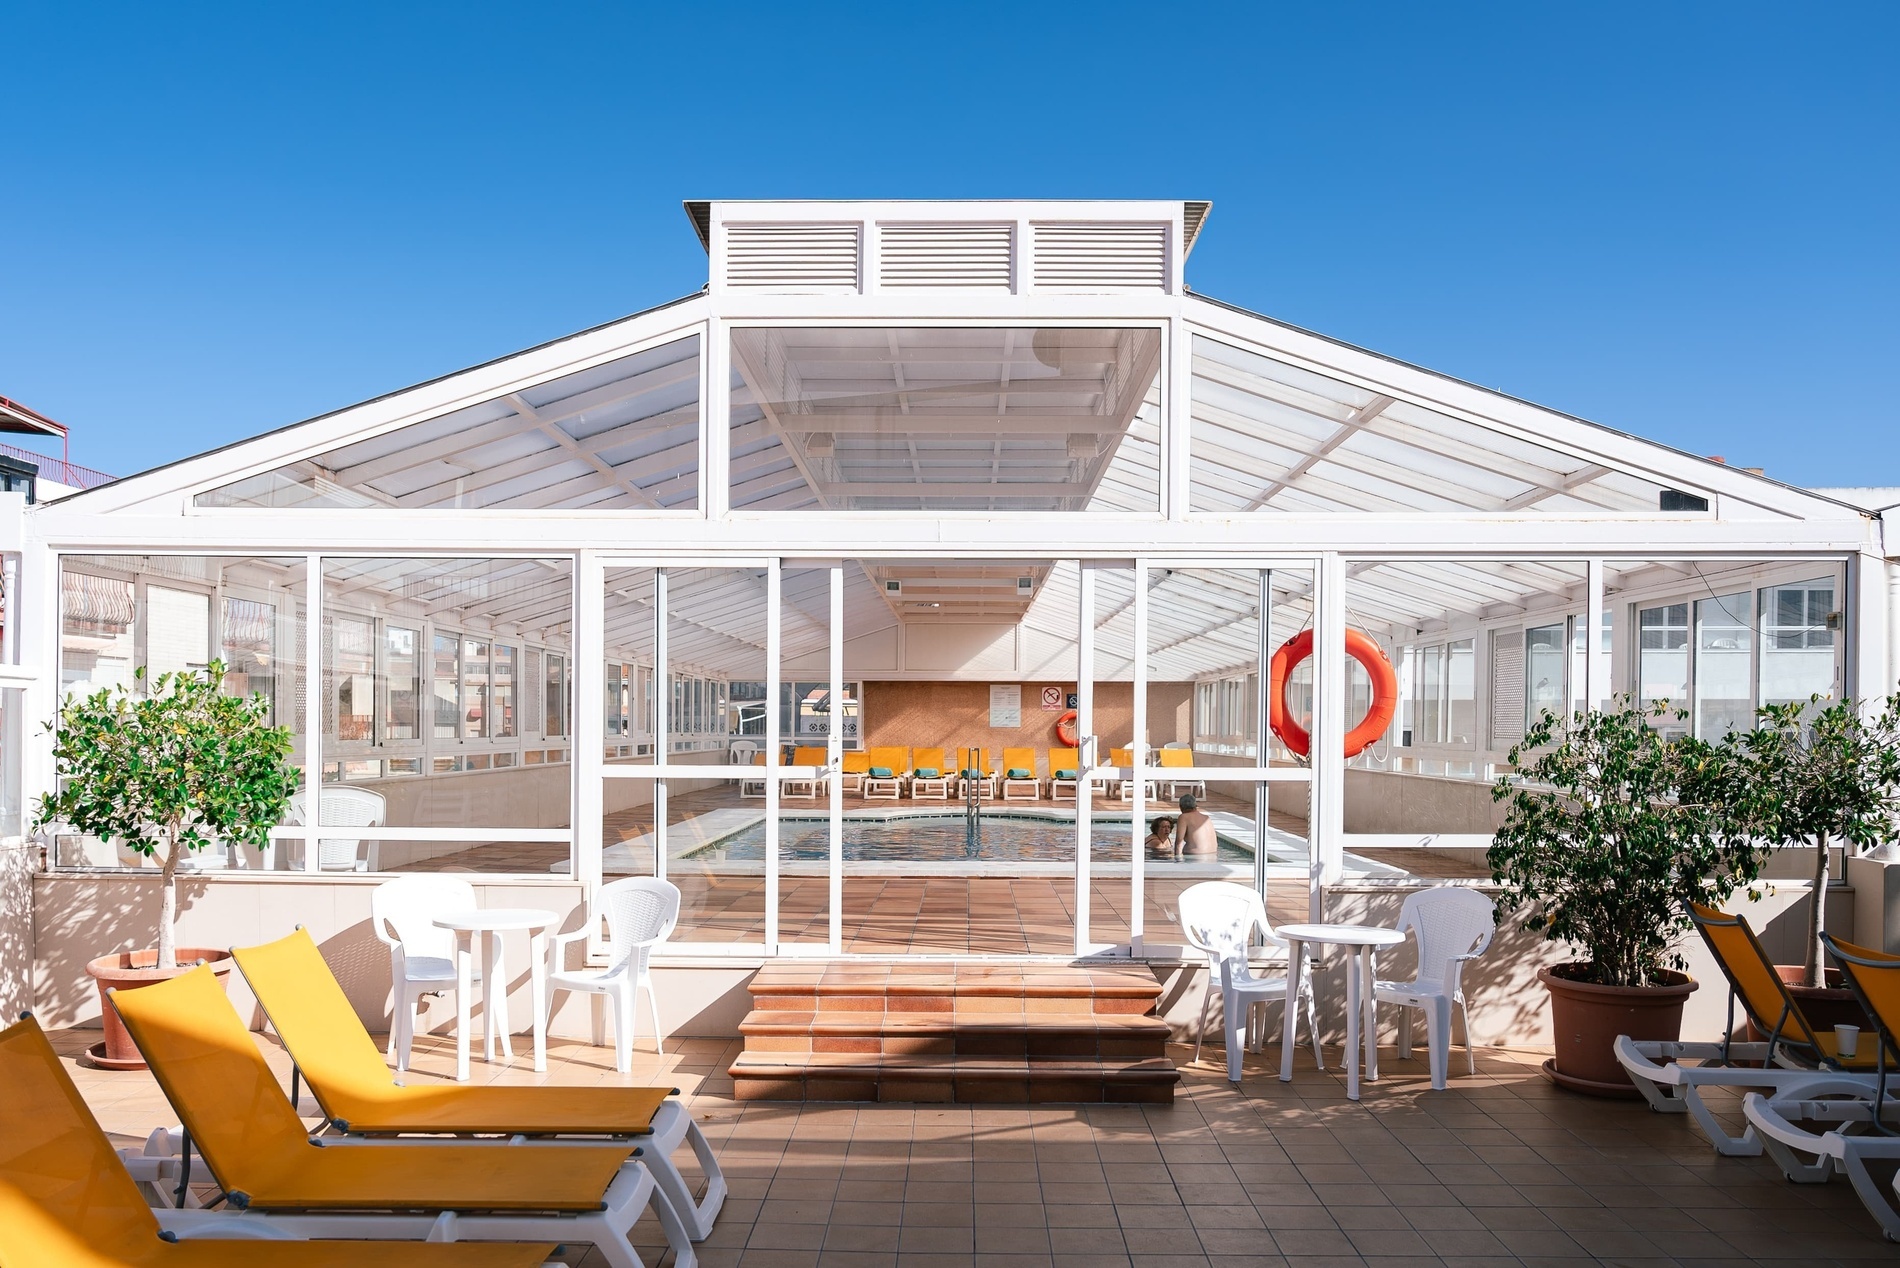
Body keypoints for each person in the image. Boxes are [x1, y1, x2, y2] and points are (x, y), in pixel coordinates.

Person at [1173, 794, 1217, 860]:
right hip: (1213, 857)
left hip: (1194, 857)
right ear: (1196, 806)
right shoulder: (1207, 818)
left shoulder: (1184, 817)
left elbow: (1179, 842)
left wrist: (1177, 860)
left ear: (1181, 807)